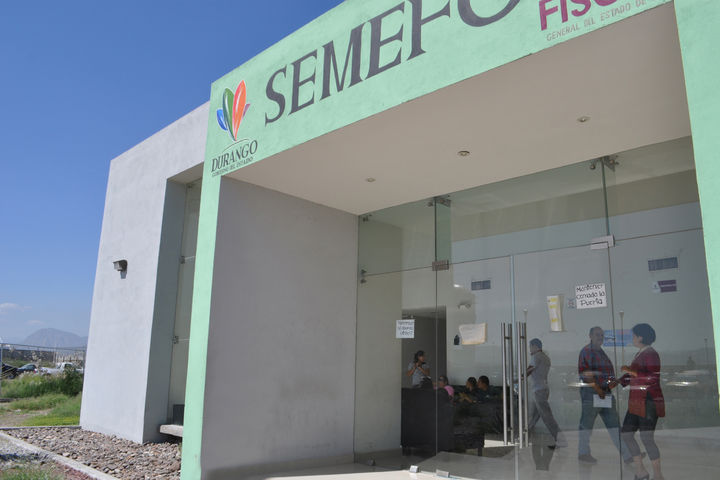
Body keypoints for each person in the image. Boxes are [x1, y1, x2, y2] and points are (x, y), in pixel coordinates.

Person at [577, 326, 632, 464]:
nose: (600, 337)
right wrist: (598, 389)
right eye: (597, 335)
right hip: (592, 394)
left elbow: (604, 375)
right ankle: (583, 453)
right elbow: (586, 374)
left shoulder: (601, 353)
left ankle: (627, 456)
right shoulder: (587, 352)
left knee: (614, 426)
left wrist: (614, 383)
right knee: (586, 426)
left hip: (605, 394)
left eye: (601, 335)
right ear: (590, 336)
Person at [620, 324, 665, 480]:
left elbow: (651, 378)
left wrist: (630, 371)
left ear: (640, 337)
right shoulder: (641, 354)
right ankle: (641, 471)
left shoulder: (651, 354)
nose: (632, 338)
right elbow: (632, 375)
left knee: (646, 438)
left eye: (633, 336)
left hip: (648, 401)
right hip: (637, 402)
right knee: (627, 434)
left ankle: (658, 475)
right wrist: (616, 382)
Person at [527, 338, 567, 447]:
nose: (530, 349)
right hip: (543, 389)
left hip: (538, 390)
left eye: (530, 346)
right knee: (533, 417)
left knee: (547, 417)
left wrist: (518, 378)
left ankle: (561, 440)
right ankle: (524, 437)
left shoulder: (536, 356)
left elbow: (529, 370)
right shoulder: (546, 357)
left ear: (535, 346)